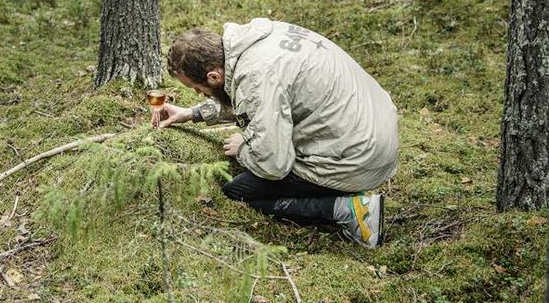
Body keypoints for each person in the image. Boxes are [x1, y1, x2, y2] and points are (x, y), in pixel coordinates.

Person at [151, 18, 398, 248]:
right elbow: (251, 99)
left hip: (358, 157)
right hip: (370, 133)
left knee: (237, 193)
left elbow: (273, 164)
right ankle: (341, 187)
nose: (197, 94)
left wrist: (244, 148)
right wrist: (193, 113)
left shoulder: (256, 76)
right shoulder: (254, 42)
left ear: (213, 76)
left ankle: (350, 209)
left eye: (196, 88)